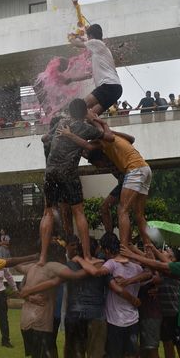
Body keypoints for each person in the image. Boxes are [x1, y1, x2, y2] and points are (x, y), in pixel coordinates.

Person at [11, 241, 90, 358]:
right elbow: (76, 276)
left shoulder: (33, 267)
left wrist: (33, 257)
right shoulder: (53, 266)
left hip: (26, 320)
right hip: (40, 321)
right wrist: (94, 267)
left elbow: (16, 265)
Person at [73, 233, 150, 358]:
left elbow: (95, 272)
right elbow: (149, 272)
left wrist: (81, 259)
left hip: (115, 321)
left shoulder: (111, 264)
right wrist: (132, 285)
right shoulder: (135, 266)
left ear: (107, 250)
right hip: (133, 320)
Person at [58, 127, 153, 250]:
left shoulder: (107, 151)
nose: (99, 167)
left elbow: (89, 146)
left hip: (128, 178)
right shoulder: (100, 154)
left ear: (101, 159)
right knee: (108, 208)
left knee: (123, 211)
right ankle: (111, 235)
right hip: (125, 181)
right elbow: (84, 150)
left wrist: (70, 135)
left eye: (98, 164)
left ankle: (127, 243)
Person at [39, 99, 106, 264]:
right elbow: (103, 134)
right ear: (84, 113)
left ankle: (42, 258)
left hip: (50, 171)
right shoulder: (85, 127)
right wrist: (95, 119)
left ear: (69, 111)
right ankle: (88, 256)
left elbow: (45, 138)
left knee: (48, 212)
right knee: (79, 212)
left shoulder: (62, 122)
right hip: (67, 172)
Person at [65, 24, 123, 117]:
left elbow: (76, 44)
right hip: (116, 89)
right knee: (90, 116)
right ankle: (103, 130)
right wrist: (71, 79)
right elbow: (87, 75)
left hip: (108, 86)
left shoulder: (96, 43)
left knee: (79, 107)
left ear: (91, 36)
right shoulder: (100, 54)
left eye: (88, 36)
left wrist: (71, 37)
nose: (88, 39)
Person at [0, 264, 17, 348]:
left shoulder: (1, 264)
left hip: (0, 294)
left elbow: (8, 276)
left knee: (3, 318)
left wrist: (15, 288)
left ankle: (5, 340)